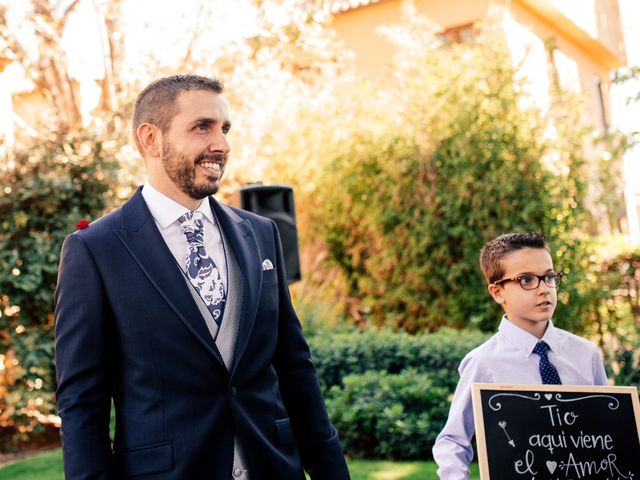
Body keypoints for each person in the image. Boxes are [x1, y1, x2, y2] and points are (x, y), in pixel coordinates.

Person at [54, 75, 350, 480]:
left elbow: (295, 367)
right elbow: (82, 403)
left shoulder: (261, 234)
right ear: (150, 139)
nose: (222, 144)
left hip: (274, 468)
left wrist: (332, 471)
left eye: (224, 129)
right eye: (202, 127)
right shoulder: (95, 250)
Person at [432, 232, 608, 480]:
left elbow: (608, 429)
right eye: (526, 280)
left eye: (549, 277)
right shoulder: (483, 362)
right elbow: (453, 441)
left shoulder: (586, 354)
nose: (544, 289)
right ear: (497, 292)